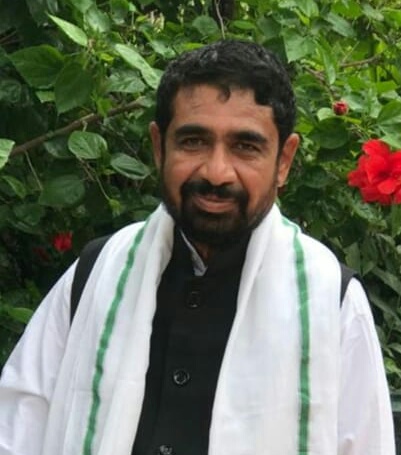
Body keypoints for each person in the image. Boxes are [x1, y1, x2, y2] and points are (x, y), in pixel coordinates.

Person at [0, 40, 395, 455]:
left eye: (245, 146)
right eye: (193, 141)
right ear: (159, 148)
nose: (217, 172)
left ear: (283, 161)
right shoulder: (96, 274)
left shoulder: (331, 299)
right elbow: (15, 434)